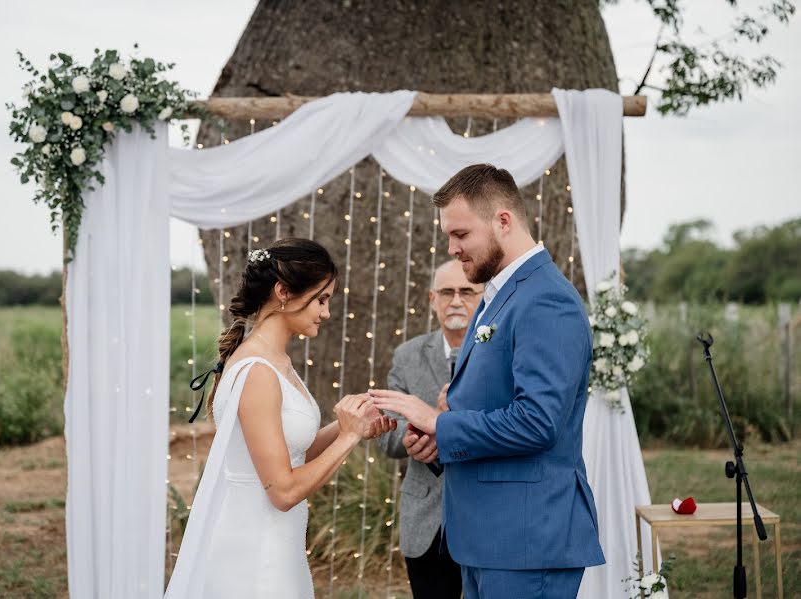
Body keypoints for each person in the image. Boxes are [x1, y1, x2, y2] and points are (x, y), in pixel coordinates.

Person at [370, 165, 605, 598]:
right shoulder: (500, 295)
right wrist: (438, 441)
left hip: (525, 541)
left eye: (460, 234)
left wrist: (440, 423)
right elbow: (491, 403)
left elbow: (537, 421)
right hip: (488, 540)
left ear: (503, 220)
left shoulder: (545, 299)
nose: (452, 248)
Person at [165, 238, 395, 599]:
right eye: (321, 299)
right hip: (255, 555)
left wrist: (350, 425)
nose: (326, 312)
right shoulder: (257, 370)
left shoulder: (277, 362)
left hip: (278, 544)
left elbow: (293, 452)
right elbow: (283, 491)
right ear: (283, 291)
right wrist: (347, 439)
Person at [377, 259, 483, 599]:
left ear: (483, 297)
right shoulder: (407, 355)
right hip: (426, 522)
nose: (456, 301)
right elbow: (386, 433)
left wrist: (451, 422)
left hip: (486, 515)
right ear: (431, 299)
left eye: (466, 291)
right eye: (447, 292)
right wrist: (415, 435)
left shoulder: (498, 353)